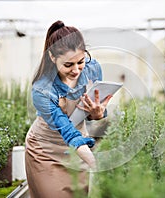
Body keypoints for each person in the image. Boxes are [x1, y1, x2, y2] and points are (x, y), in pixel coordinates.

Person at [25, 20, 112, 198]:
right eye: (68, 65)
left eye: (80, 61)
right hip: (45, 151)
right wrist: (98, 165)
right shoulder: (42, 89)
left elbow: (93, 112)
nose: (76, 70)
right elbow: (68, 131)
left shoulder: (92, 69)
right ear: (52, 58)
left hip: (79, 149)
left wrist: (98, 114)